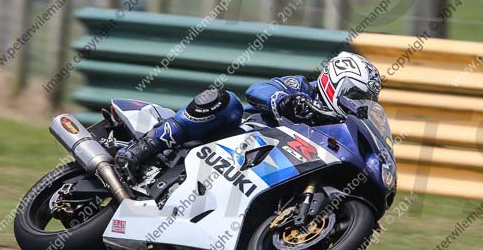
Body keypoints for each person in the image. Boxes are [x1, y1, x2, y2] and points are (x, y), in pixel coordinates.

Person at [113, 52, 381, 181]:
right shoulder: (302, 88)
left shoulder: (336, 128)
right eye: (354, 94)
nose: (355, 103)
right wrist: (285, 100)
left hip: (260, 168)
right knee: (226, 101)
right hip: (238, 136)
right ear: (336, 81)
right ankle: (144, 146)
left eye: (362, 101)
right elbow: (257, 90)